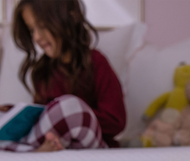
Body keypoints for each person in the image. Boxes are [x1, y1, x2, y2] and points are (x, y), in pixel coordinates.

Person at [0, 0, 126, 152]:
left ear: (70, 18)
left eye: (42, 26)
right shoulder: (42, 71)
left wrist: (63, 116)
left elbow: (116, 121)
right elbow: (43, 121)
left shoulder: (96, 62)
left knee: (70, 107)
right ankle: (32, 150)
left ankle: (25, 151)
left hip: (93, 145)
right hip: (58, 145)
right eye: (32, 30)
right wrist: (15, 113)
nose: (37, 37)